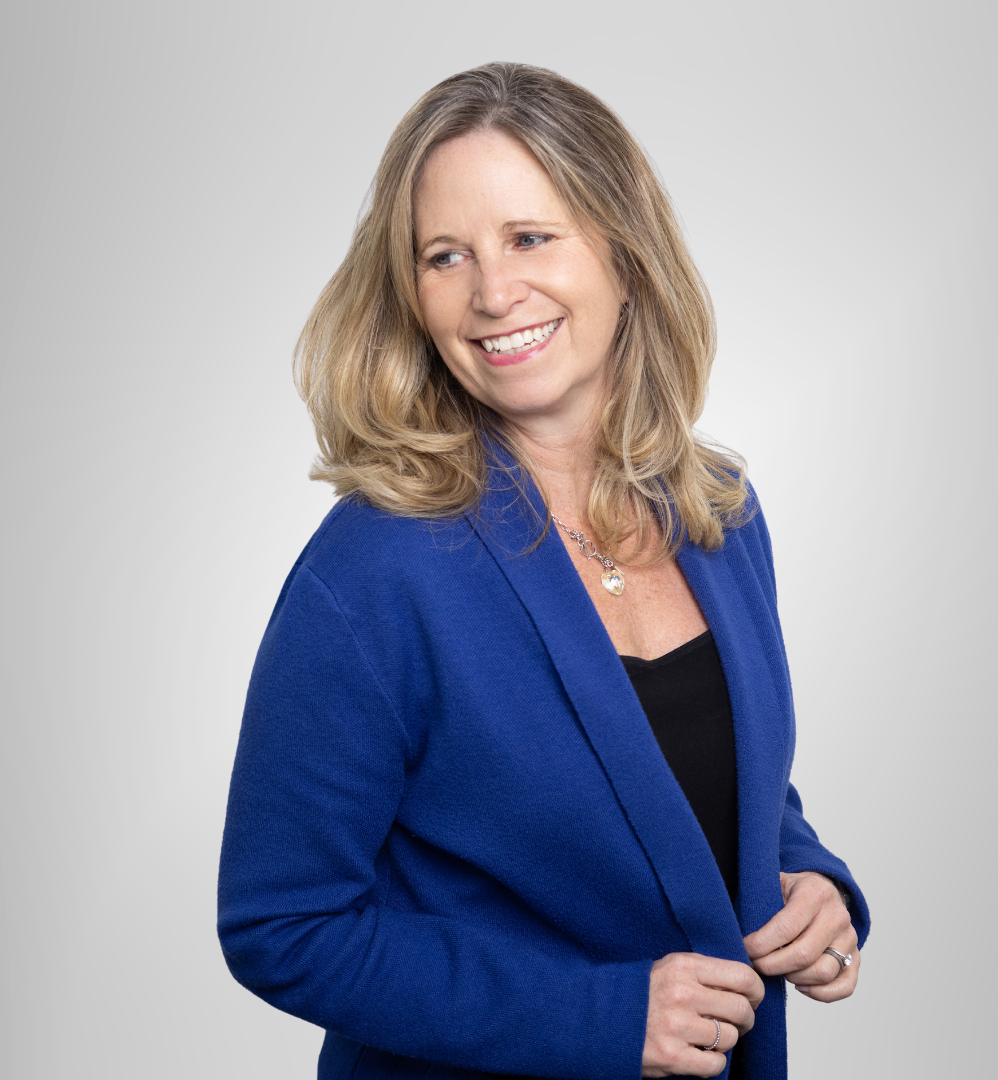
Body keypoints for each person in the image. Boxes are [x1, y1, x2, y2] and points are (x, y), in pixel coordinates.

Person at [218, 62, 869, 1080]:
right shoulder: (377, 570)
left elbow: (700, 780)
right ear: (412, 296)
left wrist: (805, 875)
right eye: (445, 256)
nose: (491, 292)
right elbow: (281, 922)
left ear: (622, 252)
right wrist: (597, 1017)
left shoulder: (718, 513)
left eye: (529, 237)